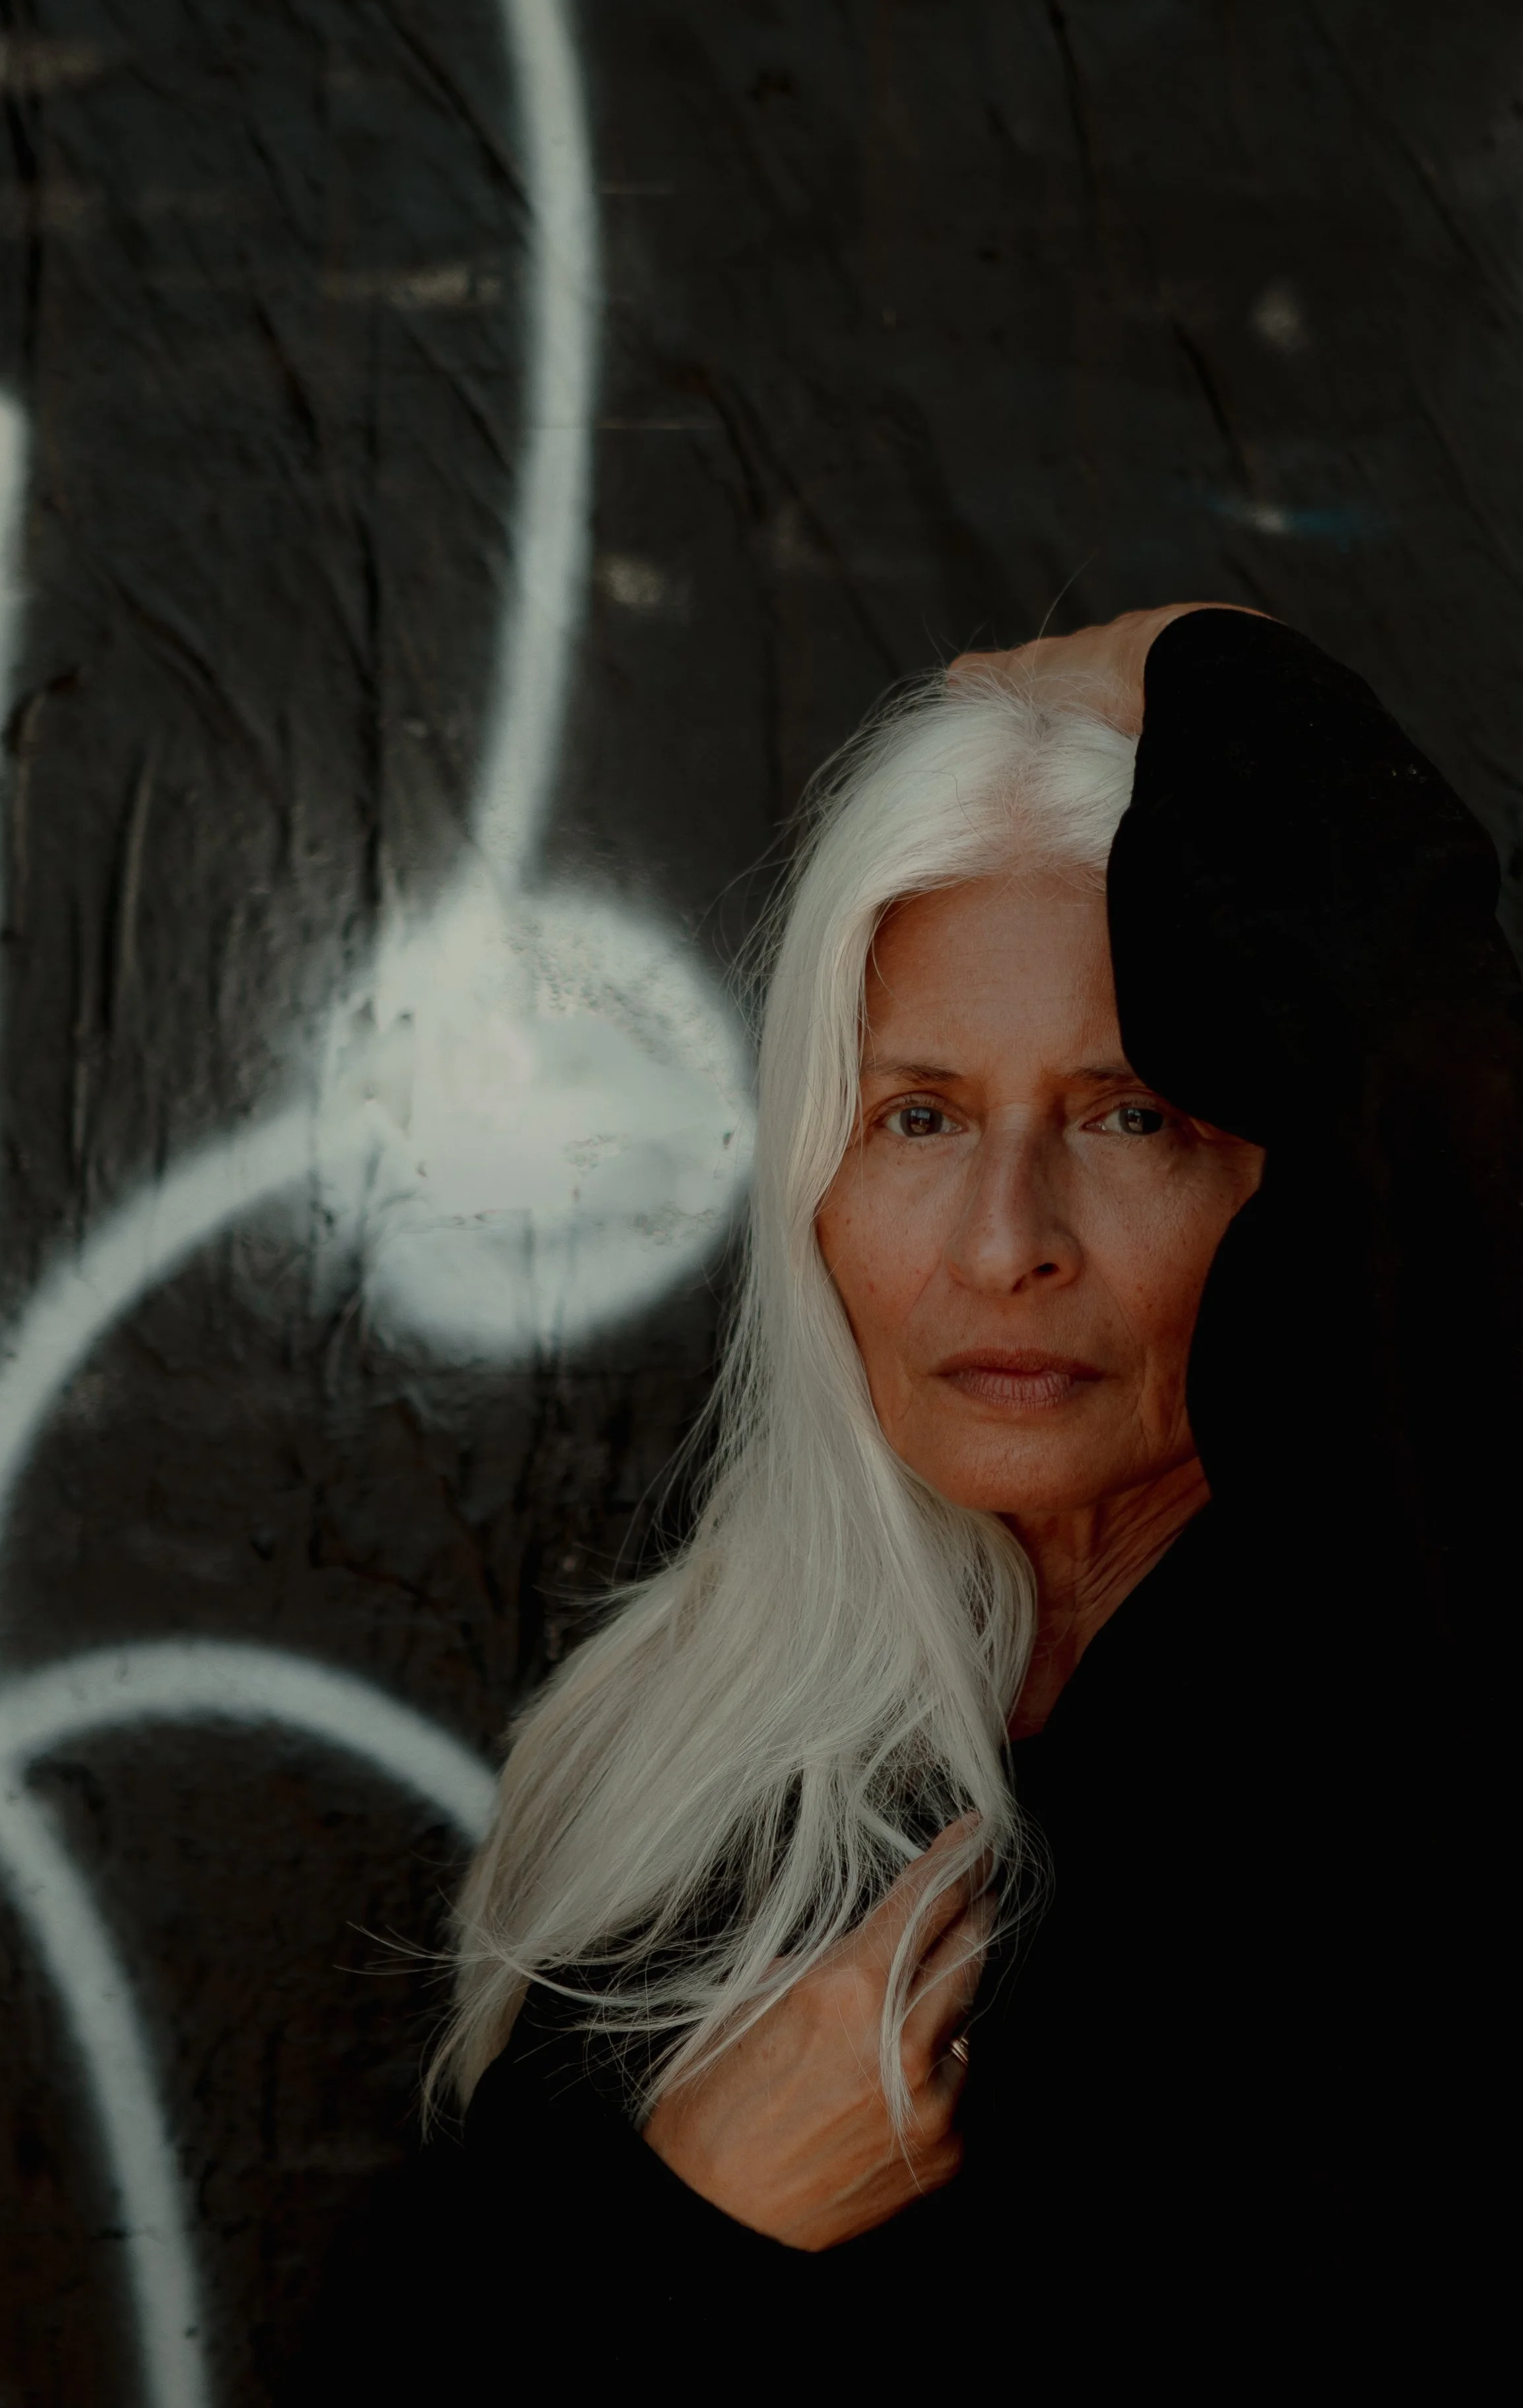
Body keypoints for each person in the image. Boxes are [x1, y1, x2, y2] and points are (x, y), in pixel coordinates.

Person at [412, 606, 1518, 2366]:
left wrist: (1219, 674)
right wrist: (688, 2215)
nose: (1007, 1246)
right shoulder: (691, 1754)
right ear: (813, 1176)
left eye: (1125, 1116)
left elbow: (1430, 1092)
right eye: (916, 1115)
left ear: (1284, 1180)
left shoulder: (1411, 1683)